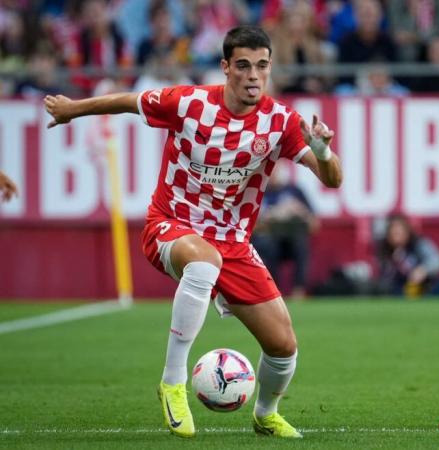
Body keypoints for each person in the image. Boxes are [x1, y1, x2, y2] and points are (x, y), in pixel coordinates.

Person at [44, 25, 343, 439]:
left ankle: (265, 414)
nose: (253, 75)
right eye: (243, 65)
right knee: (204, 261)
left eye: (262, 66)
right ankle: (172, 381)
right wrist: (72, 109)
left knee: (283, 347)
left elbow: (332, 180)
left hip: (232, 241)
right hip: (171, 226)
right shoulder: (187, 103)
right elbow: (129, 101)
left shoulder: (281, 121)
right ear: (225, 68)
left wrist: (325, 151)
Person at [251, 161, 318, 298]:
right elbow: (247, 228)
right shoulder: (256, 193)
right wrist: (271, 215)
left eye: (276, 170)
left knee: (300, 243)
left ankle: (298, 291)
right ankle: (273, 291)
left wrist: (300, 212)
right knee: (267, 245)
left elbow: (314, 225)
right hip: (268, 240)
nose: (273, 174)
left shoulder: (295, 191)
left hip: (291, 240)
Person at [374, 213, 439, 297]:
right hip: (400, 287)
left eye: (399, 233)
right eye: (393, 234)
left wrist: (423, 270)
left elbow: (438, 261)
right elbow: (384, 276)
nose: (397, 237)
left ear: (407, 232)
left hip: (424, 285)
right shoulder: (384, 249)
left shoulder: (418, 243)